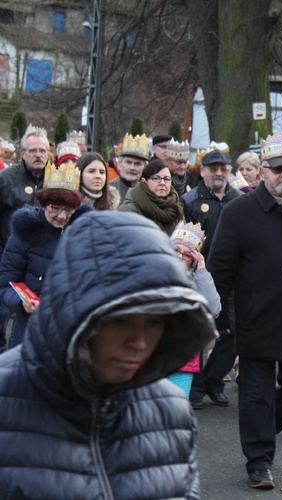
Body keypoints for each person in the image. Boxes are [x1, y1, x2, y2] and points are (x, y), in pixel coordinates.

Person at [0, 211, 217, 498]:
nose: (139, 342)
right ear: (75, 309)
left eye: (155, 322)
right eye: (120, 320)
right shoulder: (6, 400)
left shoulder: (172, 411)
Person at [208, 133, 282, 490]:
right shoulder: (238, 211)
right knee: (255, 393)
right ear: (262, 173)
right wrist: (222, 319)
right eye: (277, 170)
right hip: (255, 319)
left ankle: (261, 430)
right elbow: (220, 270)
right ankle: (259, 461)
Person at [0, 161, 90, 349]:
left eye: (68, 210)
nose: (62, 216)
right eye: (55, 208)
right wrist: (21, 302)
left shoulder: (85, 234)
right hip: (30, 328)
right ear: (43, 205)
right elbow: (4, 285)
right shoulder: (24, 234)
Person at [181, 149, 241, 409]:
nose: (218, 173)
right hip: (198, 277)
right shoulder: (189, 201)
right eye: (213, 168)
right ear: (202, 170)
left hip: (232, 278)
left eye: (223, 169)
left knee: (232, 334)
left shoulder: (239, 200)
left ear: (229, 171)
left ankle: (213, 382)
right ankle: (195, 390)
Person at [166, 222, 222, 397]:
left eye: (187, 255)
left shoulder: (197, 281)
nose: (179, 256)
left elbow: (213, 309)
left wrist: (202, 272)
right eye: (175, 250)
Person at [0, 125, 48, 253]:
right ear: (22, 153)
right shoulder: (5, 179)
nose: (38, 155)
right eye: (33, 151)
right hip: (10, 255)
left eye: (42, 151)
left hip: (43, 257)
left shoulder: (56, 180)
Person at [118, 159, 184, 235]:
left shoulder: (176, 208)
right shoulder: (129, 210)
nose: (162, 183)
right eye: (156, 178)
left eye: (167, 179)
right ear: (144, 181)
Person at [111, 133, 150, 202]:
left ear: (145, 168)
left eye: (138, 164)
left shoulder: (150, 192)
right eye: (128, 162)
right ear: (119, 165)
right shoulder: (107, 190)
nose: (132, 168)